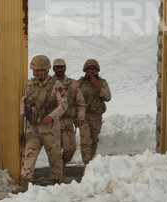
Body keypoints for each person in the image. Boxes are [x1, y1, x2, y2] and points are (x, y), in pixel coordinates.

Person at [20, 54, 67, 185]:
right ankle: (25, 183)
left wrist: (51, 116)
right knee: (29, 155)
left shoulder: (56, 85)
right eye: (34, 70)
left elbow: (63, 105)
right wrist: (22, 114)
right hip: (33, 127)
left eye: (39, 70)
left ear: (46, 70)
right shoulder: (30, 84)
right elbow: (23, 101)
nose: (36, 73)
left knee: (55, 158)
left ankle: (58, 183)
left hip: (49, 128)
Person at [51, 58, 86, 167]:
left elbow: (80, 102)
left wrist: (80, 118)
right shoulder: (48, 84)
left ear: (65, 68)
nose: (60, 69)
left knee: (70, 149)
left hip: (67, 122)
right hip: (52, 122)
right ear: (53, 68)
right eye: (57, 67)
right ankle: (57, 174)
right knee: (53, 151)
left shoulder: (73, 84)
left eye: (62, 67)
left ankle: (61, 165)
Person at [77, 58, 112, 165]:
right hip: (83, 116)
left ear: (97, 70)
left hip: (96, 117)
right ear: (85, 70)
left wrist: (98, 86)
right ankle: (86, 164)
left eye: (93, 69)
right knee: (85, 141)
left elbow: (108, 97)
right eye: (89, 69)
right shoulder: (80, 83)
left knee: (94, 140)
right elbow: (73, 98)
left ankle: (90, 163)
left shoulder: (102, 82)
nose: (91, 71)